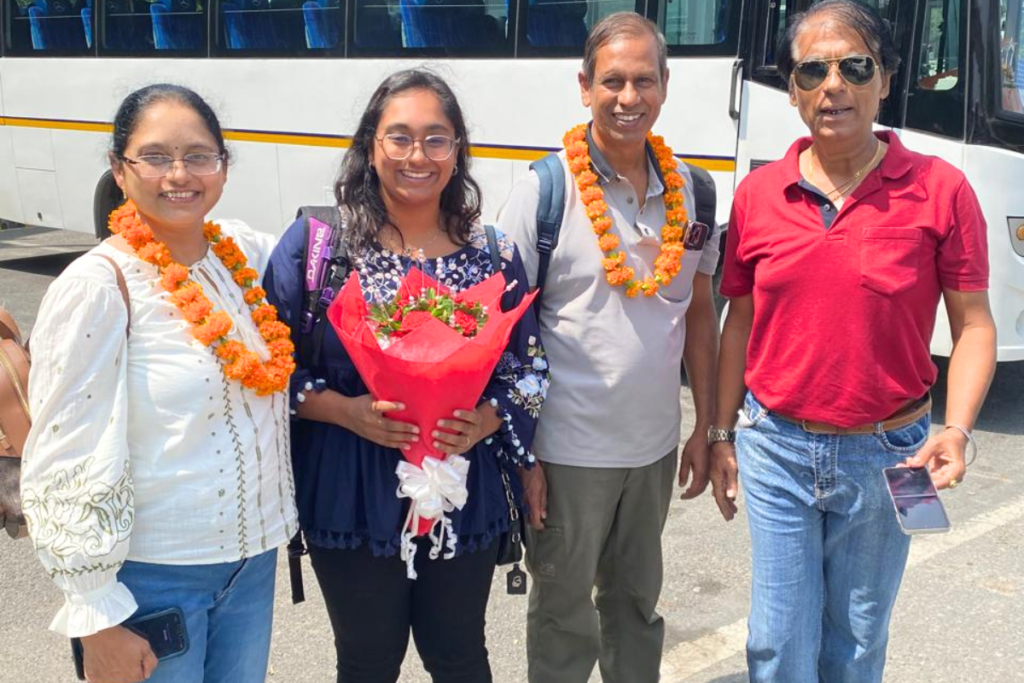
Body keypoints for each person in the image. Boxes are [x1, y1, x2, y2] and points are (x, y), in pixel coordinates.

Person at [708, 2, 997, 682]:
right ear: (793, 88)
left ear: (887, 80)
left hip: (892, 451)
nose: (832, 84)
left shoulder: (941, 190)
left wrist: (955, 428)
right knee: (777, 645)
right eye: (812, 70)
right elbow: (738, 322)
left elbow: (974, 324)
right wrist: (721, 431)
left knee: (857, 643)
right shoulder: (756, 195)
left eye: (854, 66)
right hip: (777, 446)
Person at [264, 68, 547, 683]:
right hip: (351, 492)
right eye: (399, 137)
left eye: (436, 139)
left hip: (459, 488)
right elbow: (267, 371)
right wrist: (344, 410)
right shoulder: (319, 246)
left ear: (457, 151)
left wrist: (487, 420)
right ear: (372, 145)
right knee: (367, 662)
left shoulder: (492, 253)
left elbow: (527, 368)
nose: (417, 156)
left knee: (460, 657)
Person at [20, 84, 298, 683]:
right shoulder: (98, 285)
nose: (180, 174)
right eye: (155, 156)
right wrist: (94, 617)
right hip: (150, 579)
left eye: (199, 155)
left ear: (223, 167)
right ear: (120, 171)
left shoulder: (242, 257)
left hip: (251, 569)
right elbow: (63, 453)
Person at [497, 12, 721, 683]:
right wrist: (522, 455)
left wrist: (707, 428)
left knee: (635, 607)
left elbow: (701, 316)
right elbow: (505, 332)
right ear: (584, 85)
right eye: (613, 81)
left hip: (651, 448)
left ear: (665, 85)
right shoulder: (544, 190)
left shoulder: (695, 189)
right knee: (565, 617)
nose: (629, 97)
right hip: (566, 453)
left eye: (643, 80)